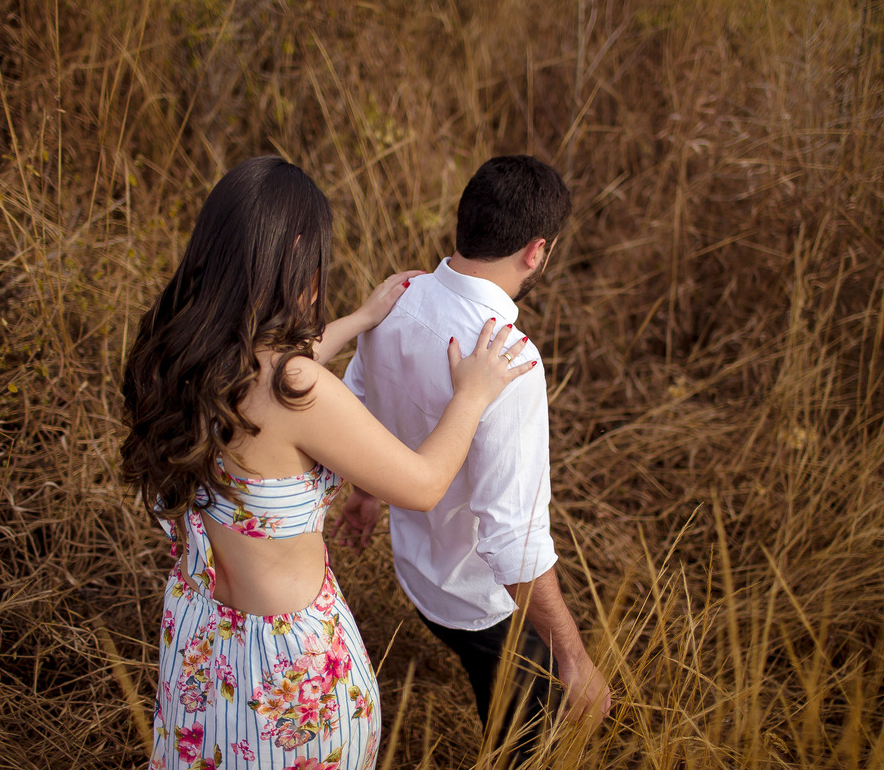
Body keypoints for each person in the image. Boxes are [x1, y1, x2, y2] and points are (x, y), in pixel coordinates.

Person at [119, 156, 535, 770]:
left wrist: (360, 319)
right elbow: (423, 484)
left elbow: (261, 370)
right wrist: (472, 395)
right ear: (294, 257)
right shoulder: (298, 388)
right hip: (288, 670)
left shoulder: (173, 352)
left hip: (203, 637)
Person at [336, 155, 612, 762]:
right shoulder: (511, 361)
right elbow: (512, 538)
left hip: (415, 571)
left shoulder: (397, 298)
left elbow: (362, 402)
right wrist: (573, 658)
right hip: (478, 601)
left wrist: (363, 493)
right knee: (528, 746)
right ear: (537, 252)